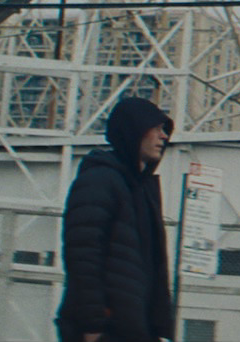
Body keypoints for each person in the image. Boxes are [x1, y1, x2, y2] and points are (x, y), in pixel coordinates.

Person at [56, 97, 176, 342]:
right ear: (133, 130)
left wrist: (158, 326)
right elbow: (83, 256)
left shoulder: (141, 189)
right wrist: (92, 326)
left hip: (134, 328)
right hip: (106, 329)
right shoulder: (99, 180)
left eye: (164, 130)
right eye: (155, 128)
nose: (163, 136)